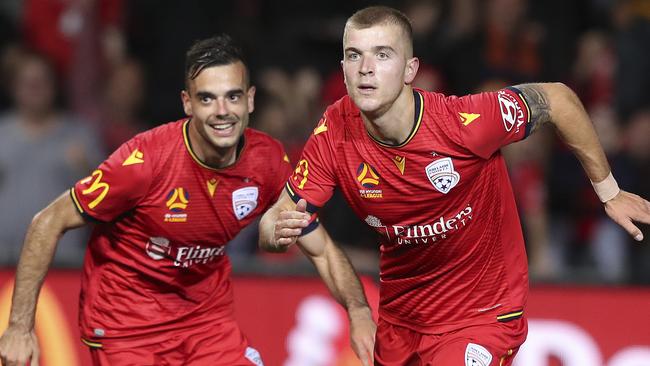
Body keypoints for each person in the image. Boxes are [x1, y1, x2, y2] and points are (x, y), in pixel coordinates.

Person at [259, 6, 650, 366]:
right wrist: (278, 232)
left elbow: (559, 100)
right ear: (342, 67)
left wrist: (609, 191)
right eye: (354, 55)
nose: (365, 69)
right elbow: (283, 219)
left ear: (410, 69)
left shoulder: (461, 124)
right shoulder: (334, 132)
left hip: (482, 316)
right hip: (401, 321)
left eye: (382, 55)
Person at [0, 35, 375, 366]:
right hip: (127, 327)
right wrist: (19, 327)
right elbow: (47, 222)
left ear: (251, 100)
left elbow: (319, 246)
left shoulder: (269, 162)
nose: (222, 111)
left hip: (206, 324)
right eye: (207, 99)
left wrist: (358, 311)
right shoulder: (143, 163)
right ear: (187, 104)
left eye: (232, 96)